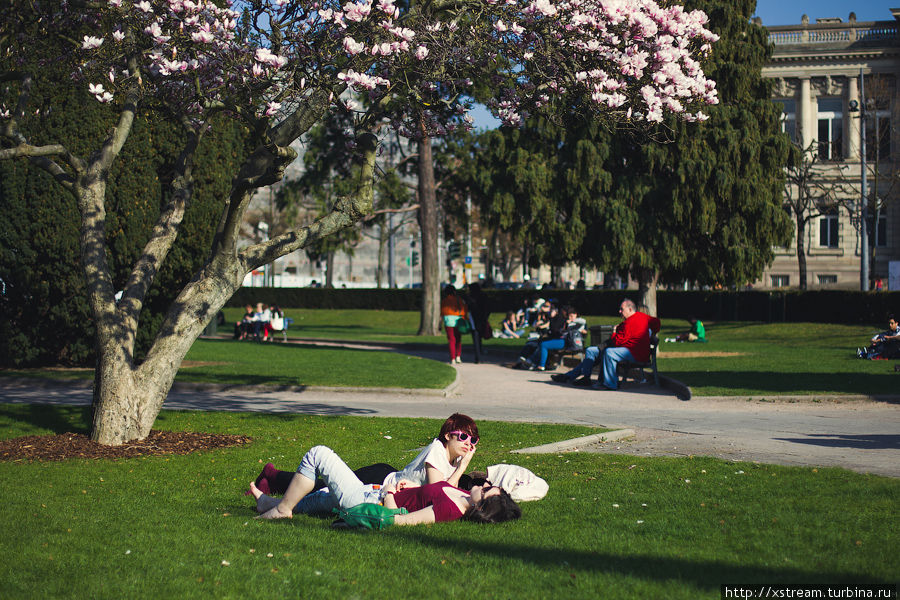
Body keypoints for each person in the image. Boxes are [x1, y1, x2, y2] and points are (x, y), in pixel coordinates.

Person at [250, 453, 521, 526]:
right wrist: (410, 487)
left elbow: (398, 520)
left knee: (318, 455)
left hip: (371, 500)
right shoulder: (461, 495)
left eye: (486, 490)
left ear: (481, 506)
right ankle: (270, 504)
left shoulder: (450, 510)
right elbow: (427, 492)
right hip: (375, 491)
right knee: (317, 500)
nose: (485, 485)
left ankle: (282, 510)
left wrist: (391, 493)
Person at [252, 413, 480, 497]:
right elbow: (438, 492)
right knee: (322, 487)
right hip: (379, 479)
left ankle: (272, 479)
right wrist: (462, 468)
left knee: (322, 487)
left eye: (472, 439)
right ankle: (272, 476)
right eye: (462, 436)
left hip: (388, 474)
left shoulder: (455, 458)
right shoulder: (437, 449)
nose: (467, 442)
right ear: (447, 435)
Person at [593, 298, 660, 391]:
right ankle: (604, 381)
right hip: (640, 353)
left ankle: (610, 384)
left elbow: (617, 342)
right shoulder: (643, 316)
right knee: (608, 352)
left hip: (635, 354)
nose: (619, 311)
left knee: (609, 352)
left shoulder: (628, 323)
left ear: (630, 309)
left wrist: (614, 332)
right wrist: (652, 333)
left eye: (622, 309)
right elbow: (657, 322)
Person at [440, 285, 468, 364]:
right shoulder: (459, 300)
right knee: (458, 339)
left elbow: (442, 313)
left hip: (448, 321)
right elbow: (464, 309)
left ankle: (452, 358)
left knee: (451, 340)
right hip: (458, 320)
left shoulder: (444, 301)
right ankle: (458, 356)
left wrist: (440, 324)